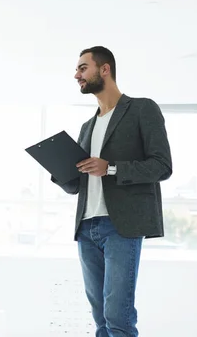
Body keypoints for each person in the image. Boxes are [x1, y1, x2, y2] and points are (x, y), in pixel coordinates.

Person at [51, 47, 172, 337]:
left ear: (105, 69)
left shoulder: (142, 109)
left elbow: (162, 166)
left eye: (83, 68)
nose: (76, 75)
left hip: (121, 226)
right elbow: (77, 184)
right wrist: (58, 168)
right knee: (101, 318)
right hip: (86, 227)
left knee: (118, 316)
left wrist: (112, 168)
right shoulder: (87, 126)